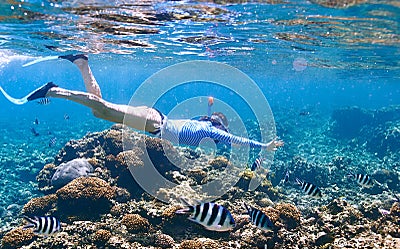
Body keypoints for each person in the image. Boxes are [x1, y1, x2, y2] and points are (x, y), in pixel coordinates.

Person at [0, 54, 284, 151]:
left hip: (154, 120)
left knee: (101, 110)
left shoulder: (203, 126)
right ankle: (54, 90)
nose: (221, 137)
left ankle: (82, 64)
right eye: (221, 127)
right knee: (103, 109)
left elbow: (217, 125)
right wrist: (265, 146)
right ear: (218, 125)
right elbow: (237, 140)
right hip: (153, 122)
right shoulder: (211, 130)